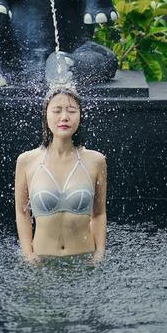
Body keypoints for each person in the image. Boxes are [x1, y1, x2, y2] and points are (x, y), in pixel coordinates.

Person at [14, 88, 107, 263]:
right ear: (45, 115)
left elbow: (99, 213)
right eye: (57, 111)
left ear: (80, 116)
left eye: (71, 111)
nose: (64, 117)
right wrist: (28, 255)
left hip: (84, 260)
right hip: (42, 262)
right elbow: (22, 212)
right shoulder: (27, 161)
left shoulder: (96, 161)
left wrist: (100, 254)